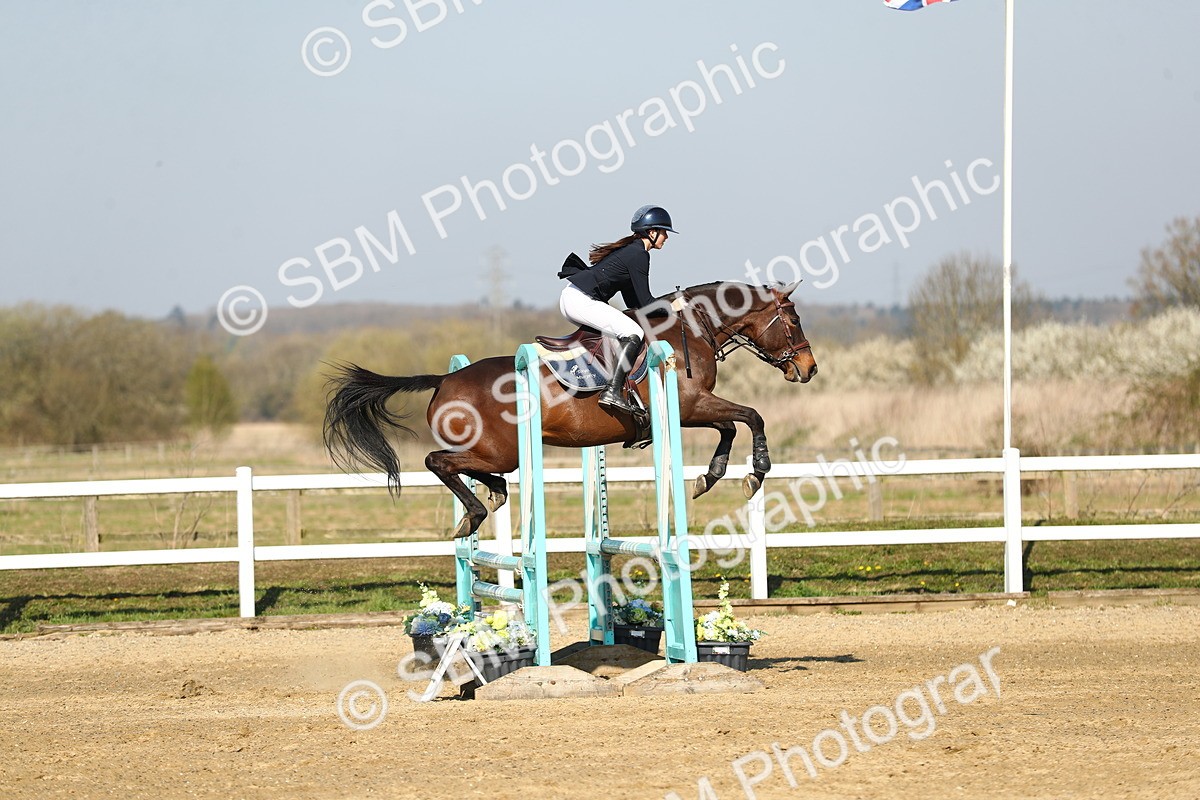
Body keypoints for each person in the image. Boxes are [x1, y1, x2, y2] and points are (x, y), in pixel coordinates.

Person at [558, 204, 676, 415]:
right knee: (634, 333)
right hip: (579, 300)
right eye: (663, 231)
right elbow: (647, 302)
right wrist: (671, 307)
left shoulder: (633, 252)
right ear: (651, 232)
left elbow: (634, 302)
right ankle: (612, 391)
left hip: (574, 297)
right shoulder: (639, 254)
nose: (666, 237)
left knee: (620, 332)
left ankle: (606, 381)